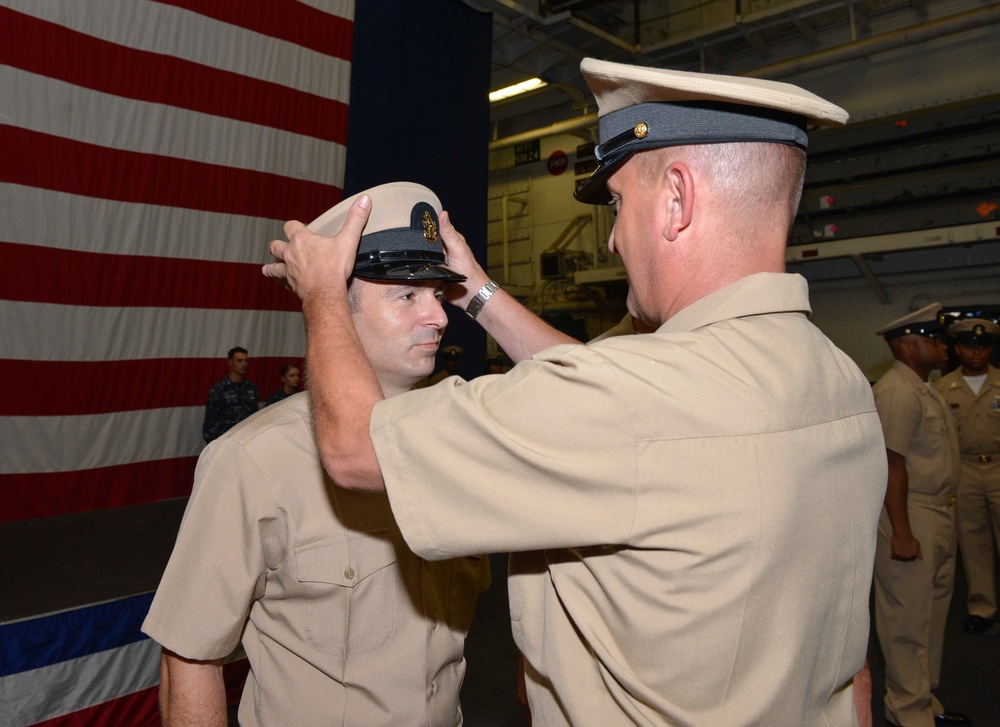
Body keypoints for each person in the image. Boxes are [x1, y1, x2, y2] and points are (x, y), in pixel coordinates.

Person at [265, 59, 886, 725]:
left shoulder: (631, 403)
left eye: (618, 203)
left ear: (677, 198)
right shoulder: (840, 380)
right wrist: (476, 291)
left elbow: (357, 448)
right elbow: (609, 394)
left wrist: (325, 293)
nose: (614, 236)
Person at [143, 182, 490, 727]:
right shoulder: (253, 459)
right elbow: (190, 654)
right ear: (338, 307)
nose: (440, 317)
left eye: (437, 293)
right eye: (406, 295)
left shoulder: (459, 433)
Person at [871, 304, 968, 727]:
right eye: (932, 339)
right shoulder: (897, 391)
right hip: (911, 514)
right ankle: (907, 712)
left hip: (937, 513)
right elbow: (891, 465)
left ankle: (925, 701)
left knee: (930, 615)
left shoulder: (924, 388)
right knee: (906, 618)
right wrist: (901, 533)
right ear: (907, 347)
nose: (942, 346)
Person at [935, 317, 1000, 636]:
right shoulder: (942, 389)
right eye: (970, 347)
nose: (977, 353)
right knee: (974, 543)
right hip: (965, 469)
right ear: (958, 349)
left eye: (983, 346)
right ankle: (981, 607)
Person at [202, 346, 259, 443]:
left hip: (247, 442)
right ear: (230, 362)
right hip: (226, 443)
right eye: (239, 361)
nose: (244, 364)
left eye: (246, 361)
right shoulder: (219, 389)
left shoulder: (251, 388)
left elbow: (255, 418)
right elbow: (210, 425)